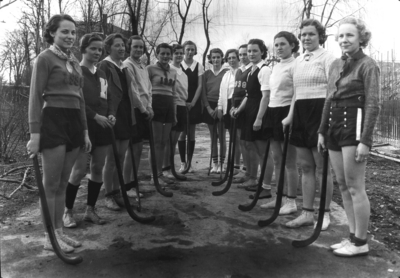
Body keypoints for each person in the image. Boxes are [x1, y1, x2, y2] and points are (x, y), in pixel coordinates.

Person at [27, 14, 91, 253]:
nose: (70, 36)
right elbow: (35, 97)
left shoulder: (74, 62)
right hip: (53, 120)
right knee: (50, 184)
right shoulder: (44, 59)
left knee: (63, 182)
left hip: (74, 121)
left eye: (73, 32)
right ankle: (49, 236)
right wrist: (35, 135)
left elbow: (81, 99)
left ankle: (59, 233)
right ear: (52, 33)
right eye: (64, 31)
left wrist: (85, 131)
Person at [318, 18, 380, 257]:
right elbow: (328, 99)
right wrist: (322, 131)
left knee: (355, 187)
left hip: (354, 125)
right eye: (341, 36)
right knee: (343, 185)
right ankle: (353, 237)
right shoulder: (335, 64)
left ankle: (361, 241)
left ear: (361, 38)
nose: (344, 40)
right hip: (334, 124)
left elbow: (374, 104)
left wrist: (365, 141)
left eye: (350, 36)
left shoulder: (368, 65)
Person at [282, 19, 335, 229]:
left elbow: (333, 92)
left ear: (320, 36)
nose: (306, 38)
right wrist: (290, 116)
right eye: (303, 34)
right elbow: (296, 93)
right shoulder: (298, 61)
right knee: (305, 166)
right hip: (301, 115)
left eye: (311, 34)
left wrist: (327, 122)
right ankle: (307, 213)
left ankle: (325, 213)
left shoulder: (328, 58)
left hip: (320, 113)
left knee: (322, 168)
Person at [63, 33, 114, 228]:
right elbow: (77, 101)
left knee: (97, 168)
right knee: (78, 170)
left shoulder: (101, 73)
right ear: (83, 49)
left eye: (100, 49)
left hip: (102, 127)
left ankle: (90, 210)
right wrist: (95, 117)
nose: (97, 52)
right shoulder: (77, 71)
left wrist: (110, 114)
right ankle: (67, 212)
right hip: (84, 126)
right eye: (93, 48)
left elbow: (106, 98)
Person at [97, 33, 143, 211]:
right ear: (109, 48)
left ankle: (117, 192)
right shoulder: (105, 66)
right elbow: (102, 93)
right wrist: (107, 113)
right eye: (117, 45)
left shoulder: (124, 67)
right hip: (113, 115)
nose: (122, 48)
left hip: (126, 115)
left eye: (123, 45)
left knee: (121, 156)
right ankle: (108, 195)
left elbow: (131, 92)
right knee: (112, 158)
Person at [259, 31, 299, 214]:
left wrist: (289, 117)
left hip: (286, 113)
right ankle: (279, 198)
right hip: (273, 112)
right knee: (277, 159)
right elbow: (270, 94)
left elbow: (296, 95)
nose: (279, 48)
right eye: (276, 45)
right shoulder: (275, 67)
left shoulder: (296, 65)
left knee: (289, 161)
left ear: (292, 45)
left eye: (283, 44)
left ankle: (291, 202)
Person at [233, 39, 273, 199]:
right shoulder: (251, 71)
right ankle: (258, 182)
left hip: (259, 113)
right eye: (249, 51)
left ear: (262, 52)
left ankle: (266, 187)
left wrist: (259, 119)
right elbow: (248, 96)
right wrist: (238, 109)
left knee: (264, 153)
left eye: (254, 51)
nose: (251, 54)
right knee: (255, 149)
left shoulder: (264, 70)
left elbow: (266, 96)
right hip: (250, 112)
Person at [122, 35, 153, 197]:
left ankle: (133, 183)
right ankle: (127, 186)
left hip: (144, 111)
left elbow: (148, 88)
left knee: (138, 149)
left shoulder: (142, 65)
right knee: (132, 150)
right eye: (135, 47)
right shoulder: (127, 65)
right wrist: (142, 108)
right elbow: (133, 91)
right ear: (129, 47)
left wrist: (149, 106)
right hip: (135, 111)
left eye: (141, 47)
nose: (139, 50)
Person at [147, 43, 177, 185]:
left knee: (164, 142)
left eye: (167, 54)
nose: (165, 56)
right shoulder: (150, 69)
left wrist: (175, 113)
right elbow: (146, 89)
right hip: (156, 105)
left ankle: (160, 173)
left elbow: (174, 93)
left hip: (169, 105)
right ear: (157, 54)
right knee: (156, 142)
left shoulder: (173, 71)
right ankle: (154, 175)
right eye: (162, 53)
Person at [178, 41, 204, 173]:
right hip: (181, 102)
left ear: (195, 51)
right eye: (187, 49)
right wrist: (184, 102)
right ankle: (182, 163)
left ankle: (189, 163)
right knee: (182, 133)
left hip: (193, 103)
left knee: (192, 133)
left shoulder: (198, 66)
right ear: (183, 50)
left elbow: (200, 86)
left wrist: (193, 102)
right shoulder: (178, 65)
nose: (189, 52)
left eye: (192, 50)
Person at [163, 44, 188, 178]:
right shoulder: (169, 70)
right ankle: (166, 169)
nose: (179, 55)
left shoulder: (183, 73)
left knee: (174, 141)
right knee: (169, 141)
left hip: (182, 106)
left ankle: (171, 168)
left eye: (180, 53)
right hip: (173, 106)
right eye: (176, 53)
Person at [201, 48, 229, 173]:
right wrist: (208, 108)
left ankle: (222, 164)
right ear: (210, 59)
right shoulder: (206, 74)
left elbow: (227, 91)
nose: (216, 59)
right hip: (210, 106)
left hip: (222, 105)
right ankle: (215, 163)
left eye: (218, 57)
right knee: (213, 137)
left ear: (222, 58)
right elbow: (203, 93)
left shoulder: (227, 72)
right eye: (213, 57)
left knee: (222, 136)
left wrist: (220, 107)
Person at [231, 44, 252, 184]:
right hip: (237, 108)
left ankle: (249, 171)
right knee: (240, 140)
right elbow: (235, 91)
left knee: (247, 141)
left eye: (245, 54)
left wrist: (239, 109)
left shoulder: (252, 69)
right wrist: (233, 107)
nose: (243, 56)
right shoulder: (238, 71)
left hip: (247, 109)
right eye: (241, 54)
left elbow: (249, 94)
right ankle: (244, 171)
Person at [216, 49, 239, 174]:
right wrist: (220, 107)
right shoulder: (226, 74)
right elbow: (221, 92)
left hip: (238, 105)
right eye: (229, 58)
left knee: (239, 138)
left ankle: (237, 165)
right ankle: (233, 165)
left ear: (238, 58)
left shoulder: (242, 72)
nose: (231, 60)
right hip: (227, 105)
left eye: (234, 57)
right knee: (232, 137)